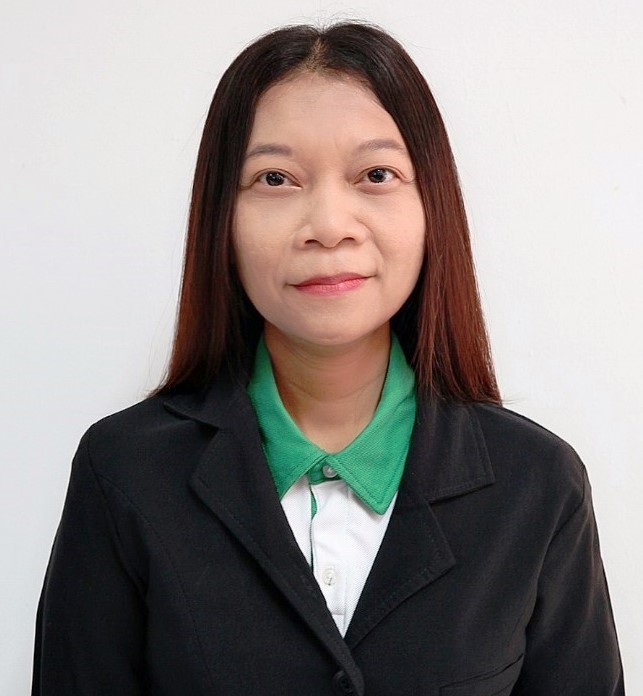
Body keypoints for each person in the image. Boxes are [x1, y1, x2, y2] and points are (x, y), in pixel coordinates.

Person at [32, 21, 624, 695]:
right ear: (221, 217)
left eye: (376, 175)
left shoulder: (537, 484)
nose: (329, 226)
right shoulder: (125, 472)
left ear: (431, 205)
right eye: (275, 178)